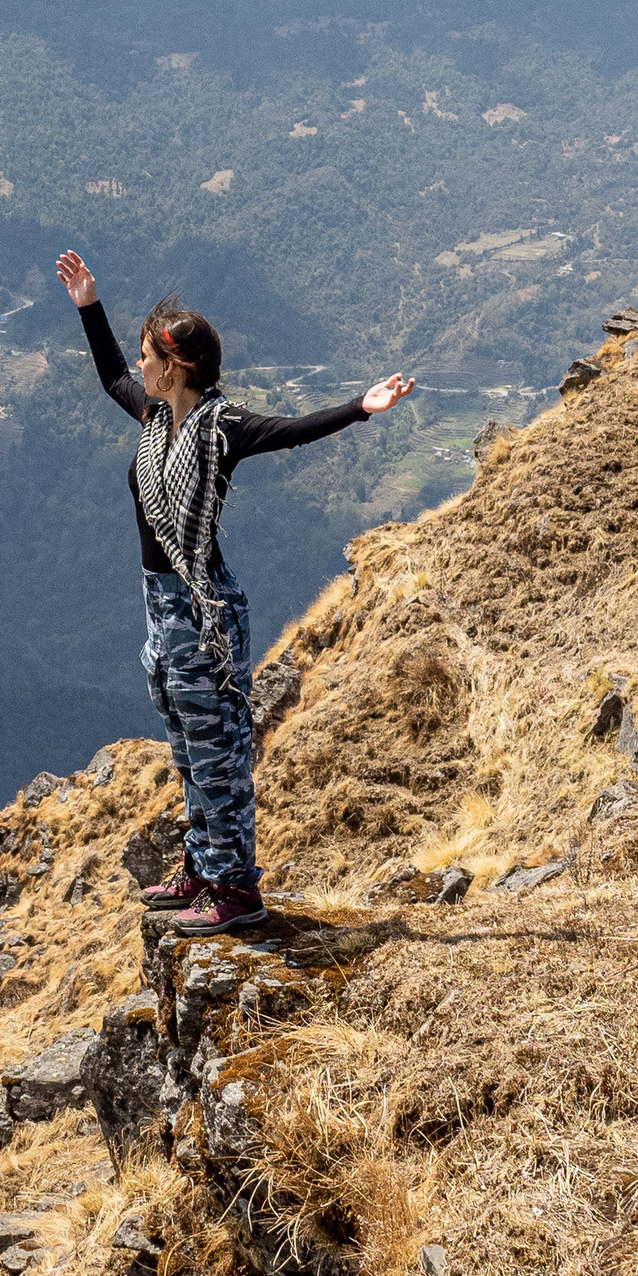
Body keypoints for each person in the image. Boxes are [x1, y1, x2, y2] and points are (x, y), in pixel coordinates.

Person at [55, 248, 413, 934]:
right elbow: (108, 376)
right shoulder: (157, 418)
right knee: (188, 747)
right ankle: (202, 867)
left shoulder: (222, 428)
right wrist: (89, 306)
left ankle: (237, 890)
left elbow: (292, 431)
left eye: (147, 356)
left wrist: (360, 409)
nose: (139, 366)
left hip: (201, 611)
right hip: (162, 604)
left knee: (217, 751)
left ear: (175, 365)